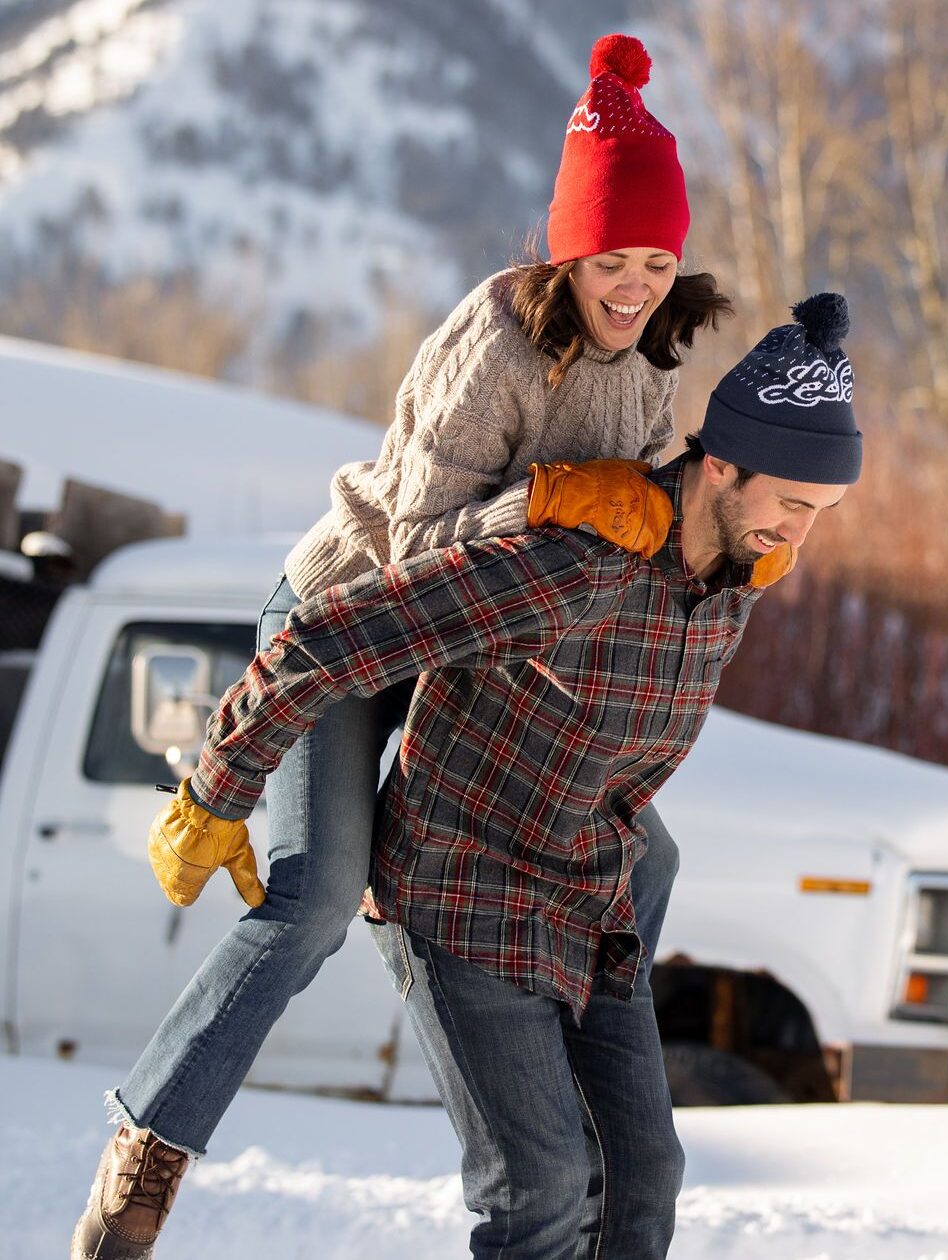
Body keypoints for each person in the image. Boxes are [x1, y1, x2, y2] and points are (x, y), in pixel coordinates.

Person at [70, 32, 732, 1260]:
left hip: (466, 658)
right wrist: (553, 498)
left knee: (644, 857)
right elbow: (418, 545)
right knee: (317, 894)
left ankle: (596, 1132)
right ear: (565, 248)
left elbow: (612, 554)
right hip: (348, 619)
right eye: (611, 258)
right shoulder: (493, 338)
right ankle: (151, 1140)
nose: (633, 284)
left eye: (655, 260)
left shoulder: (647, 376)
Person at [81, 294, 861, 1260]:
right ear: (724, 464)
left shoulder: (726, 590)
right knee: (536, 1190)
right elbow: (330, 632)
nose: (799, 535)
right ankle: (149, 1147)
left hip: (583, 904)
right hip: (463, 890)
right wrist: (220, 782)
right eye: (791, 503)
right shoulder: (576, 556)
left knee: (642, 1179)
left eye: (819, 514)